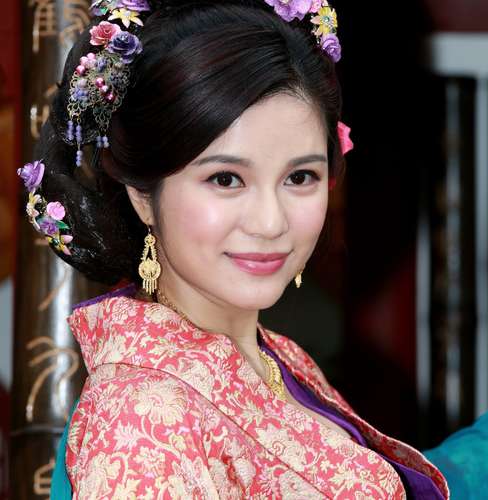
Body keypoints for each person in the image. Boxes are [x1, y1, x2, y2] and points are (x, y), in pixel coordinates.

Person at [17, 0, 449, 498]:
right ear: (143, 195)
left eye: (300, 177)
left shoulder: (277, 356)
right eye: (226, 179)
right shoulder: (142, 418)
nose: (270, 222)